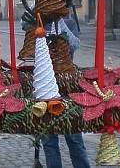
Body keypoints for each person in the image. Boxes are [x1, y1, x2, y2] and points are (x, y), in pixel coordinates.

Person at [41, 12, 91, 168]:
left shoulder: (68, 23)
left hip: (67, 84)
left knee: (74, 137)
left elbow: (74, 44)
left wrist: (59, 21)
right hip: (45, 83)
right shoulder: (39, 23)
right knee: (49, 140)